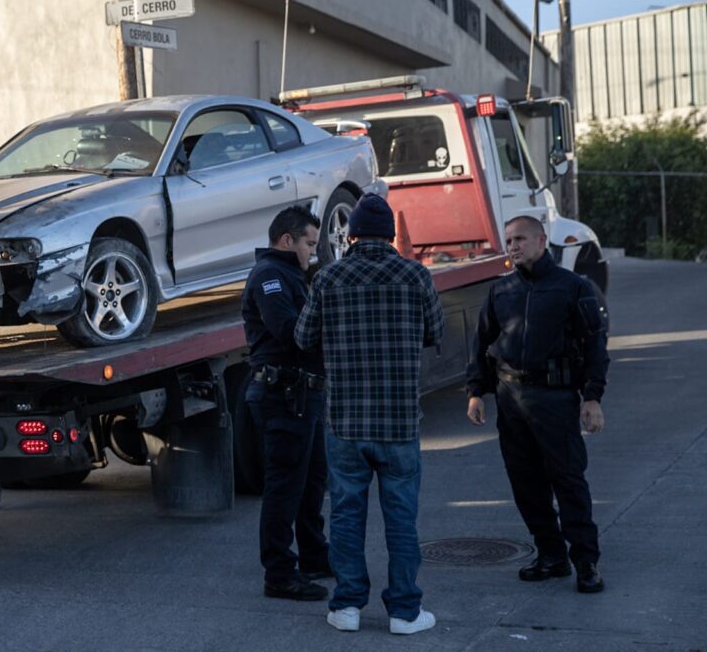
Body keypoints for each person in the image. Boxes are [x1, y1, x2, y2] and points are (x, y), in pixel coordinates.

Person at [295, 194, 444, 635]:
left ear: (352, 233)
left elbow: (303, 337)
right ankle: (403, 611)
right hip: (398, 422)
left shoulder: (329, 278)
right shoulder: (416, 275)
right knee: (401, 518)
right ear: (391, 235)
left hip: (345, 421)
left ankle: (346, 607)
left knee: (345, 514)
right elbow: (435, 331)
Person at [466, 215, 609, 594]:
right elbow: (481, 344)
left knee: (568, 480)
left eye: (520, 239)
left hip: (556, 400)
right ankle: (551, 556)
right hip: (511, 399)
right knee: (526, 483)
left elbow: (595, 344)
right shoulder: (501, 291)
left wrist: (592, 396)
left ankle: (586, 562)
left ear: (542, 240)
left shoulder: (572, 287)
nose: (513, 246)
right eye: (508, 240)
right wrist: (476, 391)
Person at [242, 205, 331, 602]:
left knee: (312, 482)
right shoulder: (270, 276)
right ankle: (279, 573)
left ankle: (313, 557)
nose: (314, 251)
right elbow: (289, 331)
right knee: (285, 487)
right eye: (309, 244)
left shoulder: (294, 274)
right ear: (286, 241)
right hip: (283, 395)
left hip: (303, 394)